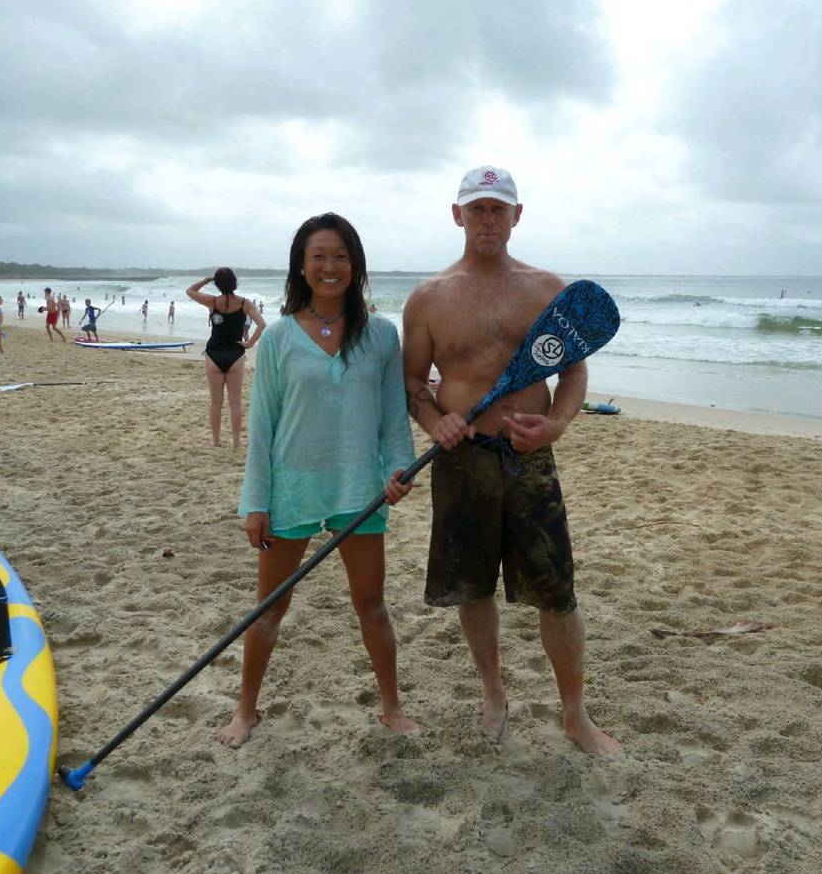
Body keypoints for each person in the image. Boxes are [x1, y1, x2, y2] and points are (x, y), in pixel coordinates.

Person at [401, 166, 622, 757]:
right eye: (477, 209)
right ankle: (494, 693)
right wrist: (433, 420)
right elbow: (414, 384)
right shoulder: (429, 298)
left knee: (557, 593)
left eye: (499, 209)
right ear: (457, 215)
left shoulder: (547, 288)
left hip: (531, 461)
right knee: (473, 590)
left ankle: (575, 714)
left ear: (517, 216)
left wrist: (557, 423)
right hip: (462, 461)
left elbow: (573, 368)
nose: (488, 220)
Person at [224, 213, 418, 747]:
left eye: (340, 256)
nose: (330, 267)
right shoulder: (281, 337)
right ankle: (246, 711)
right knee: (269, 608)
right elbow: (262, 428)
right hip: (291, 489)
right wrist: (255, 502)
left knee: (372, 604)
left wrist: (399, 470)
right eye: (319, 256)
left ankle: (392, 708)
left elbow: (392, 417)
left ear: (355, 266)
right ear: (302, 267)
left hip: (360, 486)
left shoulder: (380, 335)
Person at [186, 269, 266, 449]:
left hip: (213, 354)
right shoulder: (245, 303)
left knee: (216, 401)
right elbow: (262, 324)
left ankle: (216, 441)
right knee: (235, 401)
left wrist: (207, 280)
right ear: (234, 282)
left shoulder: (212, 301)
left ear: (218, 284)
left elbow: (190, 291)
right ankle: (237, 441)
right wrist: (250, 343)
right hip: (236, 354)